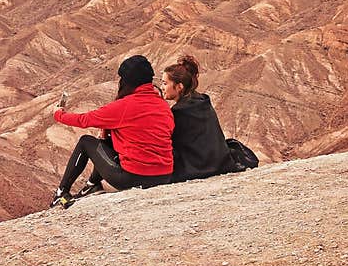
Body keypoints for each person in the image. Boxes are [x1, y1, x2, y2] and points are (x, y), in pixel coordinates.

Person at [50, 54, 174, 208]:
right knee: (108, 139)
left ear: (127, 81)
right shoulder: (163, 106)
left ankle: (61, 193)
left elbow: (84, 120)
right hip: (164, 176)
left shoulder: (124, 106)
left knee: (86, 142)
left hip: (134, 177)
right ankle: (91, 186)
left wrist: (58, 114)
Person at [161, 55, 236, 183]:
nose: (162, 87)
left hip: (196, 168)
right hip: (219, 162)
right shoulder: (202, 101)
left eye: (165, 83)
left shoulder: (180, 112)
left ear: (179, 86)